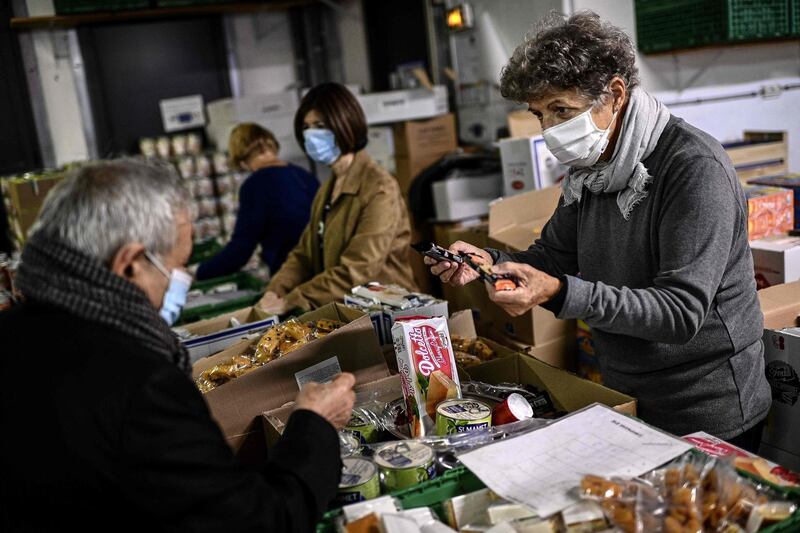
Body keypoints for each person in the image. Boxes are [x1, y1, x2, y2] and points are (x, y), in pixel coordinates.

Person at [427, 12, 771, 452]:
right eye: (539, 115)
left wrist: (557, 292)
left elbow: (681, 313)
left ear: (614, 94)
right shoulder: (592, 170)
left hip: (706, 412)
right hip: (625, 395)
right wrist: (487, 264)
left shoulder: (693, 170)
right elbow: (553, 256)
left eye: (561, 111)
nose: (550, 130)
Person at [0, 160, 356, 532]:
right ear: (130, 265)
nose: (182, 283)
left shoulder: (13, 333)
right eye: (178, 265)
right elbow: (257, 522)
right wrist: (314, 425)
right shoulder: (140, 385)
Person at [259, 83, 417, 315]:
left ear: (345, 125)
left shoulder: (379, 188)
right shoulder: (328, 189)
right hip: (347, 312)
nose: (311, 135)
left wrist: (294, 299)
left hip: (390, 314)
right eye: (306, 127)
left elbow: (358, 269)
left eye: (320, 126)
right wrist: (275, 290)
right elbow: (304, 254)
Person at [196, 123, 319, 280]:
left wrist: (199, 272)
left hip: (295, 276)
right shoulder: (304, 176)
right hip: (326, 271)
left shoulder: (254, 186)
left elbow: (240, 252)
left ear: (242, 162)